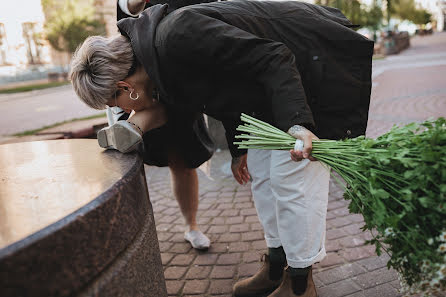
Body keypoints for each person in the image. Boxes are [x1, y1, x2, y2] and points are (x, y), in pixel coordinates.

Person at [70, 1, 373, 296]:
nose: (123, 110)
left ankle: (299, 285)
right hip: (271, 90)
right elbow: (226, 89)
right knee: (264, 180)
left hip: (308, 71)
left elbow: (274, 56)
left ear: (125, 87)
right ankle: (277, 266)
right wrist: (238, 149)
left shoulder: (177, 36)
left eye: (116, 105)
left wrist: (299, 124)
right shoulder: (157, 61)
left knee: (292, 182)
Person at [100, 0, 221, 250]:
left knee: (182, 161)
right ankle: (135, 231)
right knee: (131, 163)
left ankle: (191, 226)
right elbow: (129, 8)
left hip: (180, 70)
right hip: (139, 69)